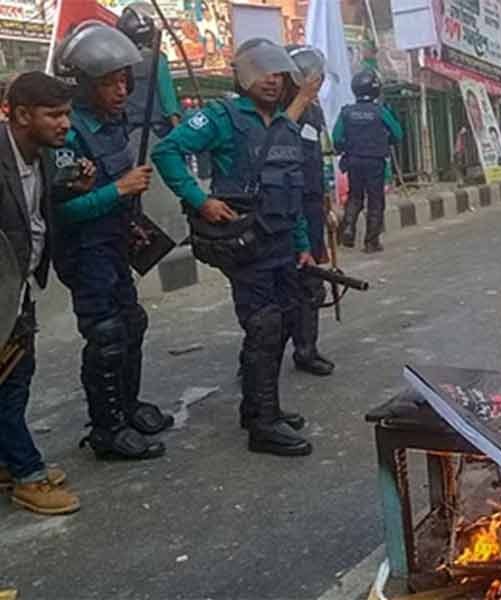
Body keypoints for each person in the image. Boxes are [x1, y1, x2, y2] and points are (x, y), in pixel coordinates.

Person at [152, 38, 319, 456]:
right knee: (263, 327)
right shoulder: (221, 116)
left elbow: (290, 186)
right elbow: (168, 150)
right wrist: (201, 201)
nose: (272, 81)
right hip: (247, 243)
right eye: (263, 72)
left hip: (282, 242)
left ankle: (261, 407)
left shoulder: (283, 123)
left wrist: (303, 244)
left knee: (279, 326)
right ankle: (263, 425)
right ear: (243, 76)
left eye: (279, 73)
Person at [51, 22, 173, 460]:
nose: (121, 91)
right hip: (85, 252)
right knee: (105, 335)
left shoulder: (116, 124)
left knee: (132, 324)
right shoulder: (69, 135)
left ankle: (128, 405)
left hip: (115, 242)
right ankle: (107, 427)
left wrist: (131, 217)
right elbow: (63, 210)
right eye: (108, 83)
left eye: (124, 81)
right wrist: (119, 190)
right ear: (84, 86)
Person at [0, 72, 87, 515]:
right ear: (19, 114)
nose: (64, 124)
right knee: (8, 388)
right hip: (2, 292)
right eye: (54, 114)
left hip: (21, 289)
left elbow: (34, 203)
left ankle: (6, 461)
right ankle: (28, 476)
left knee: (17, 377)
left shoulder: (41, 156)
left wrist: (74, 185)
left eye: (67, 114)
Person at [285, 44, 334, 377]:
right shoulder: (281, 112)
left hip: (313, 204)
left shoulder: (314, 113)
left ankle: (306, 348)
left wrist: (329, 197)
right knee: (283, 283)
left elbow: (321, 156)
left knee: (312, 280)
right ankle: (265, 353)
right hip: (286, 205)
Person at [333, 70, 402, 253]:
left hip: (354, 160)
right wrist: (386, 141)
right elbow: (398, 133)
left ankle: (348, 228)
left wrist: (345, 148)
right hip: (375, 161)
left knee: (355, 196)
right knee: (375, 200)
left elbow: (337, 138)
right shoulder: (381, 111)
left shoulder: (346, 112)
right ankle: (371, 242)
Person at [116, 4, 181, 137]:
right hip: (156, 130)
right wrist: (179, 133)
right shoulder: (156, 58)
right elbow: (169, 103)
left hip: (125, 130)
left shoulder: (117, 59)